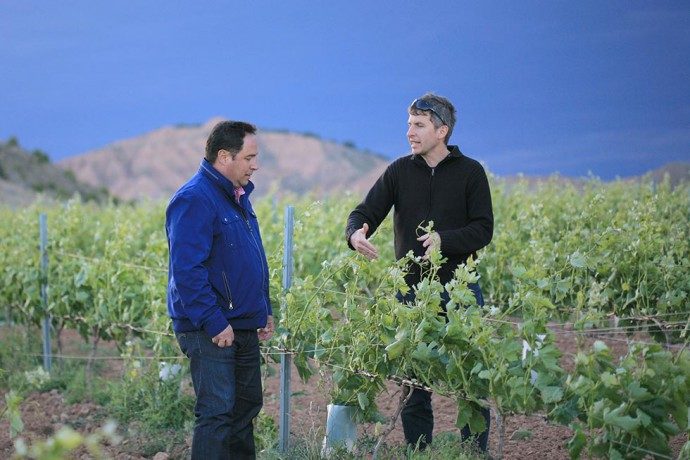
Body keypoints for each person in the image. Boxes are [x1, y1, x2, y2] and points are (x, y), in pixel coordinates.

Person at [345, 93, 494, 452]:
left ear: (441, 131)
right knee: (414, 382)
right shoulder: (399, 170)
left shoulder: (471, 172)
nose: (409, 132)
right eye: (409, 124)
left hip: (460, 290)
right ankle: (419, 453)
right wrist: (356, 233)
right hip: (410, 294)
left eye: (419, 125)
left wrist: (446, 239)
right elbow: (365, 211)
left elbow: (483, 229)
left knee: (470, 380)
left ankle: (474, 453)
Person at [166, 120, 274, 459]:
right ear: (224, 157)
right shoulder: (194, 199)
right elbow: (187, 271)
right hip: (210, 327)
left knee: (245, 409)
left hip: (240, 322)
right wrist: (214, 322)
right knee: (217, 412)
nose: (255, 165)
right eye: (249, 157)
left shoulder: (237, 196)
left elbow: (249, 258)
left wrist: (263, 310)